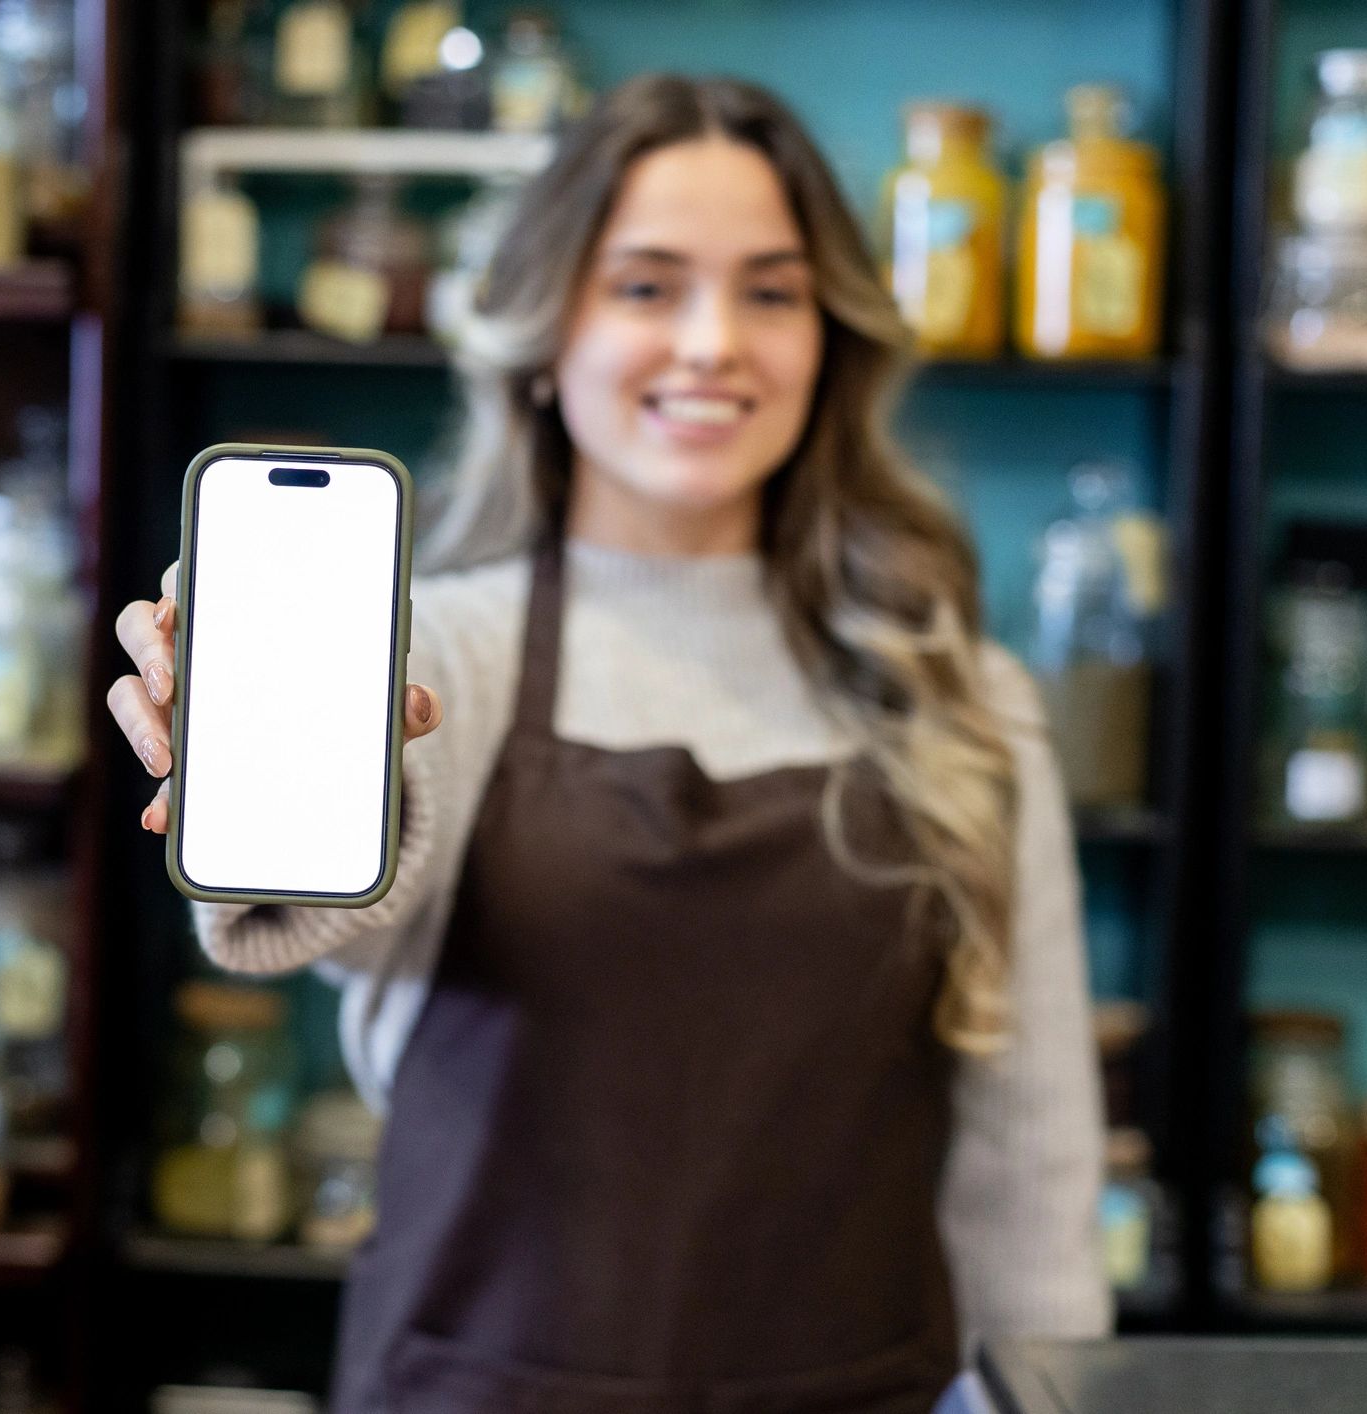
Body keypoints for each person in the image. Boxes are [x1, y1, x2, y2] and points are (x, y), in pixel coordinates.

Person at [111, 73, 1107, 1414]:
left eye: (770, 290)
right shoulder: (437, 650)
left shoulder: (956, 691)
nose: (712, 343)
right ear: (543, 327)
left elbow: (1029, 1159)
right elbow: (329, 923)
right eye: (645, 286)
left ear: (831, 335)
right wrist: (234, 772)